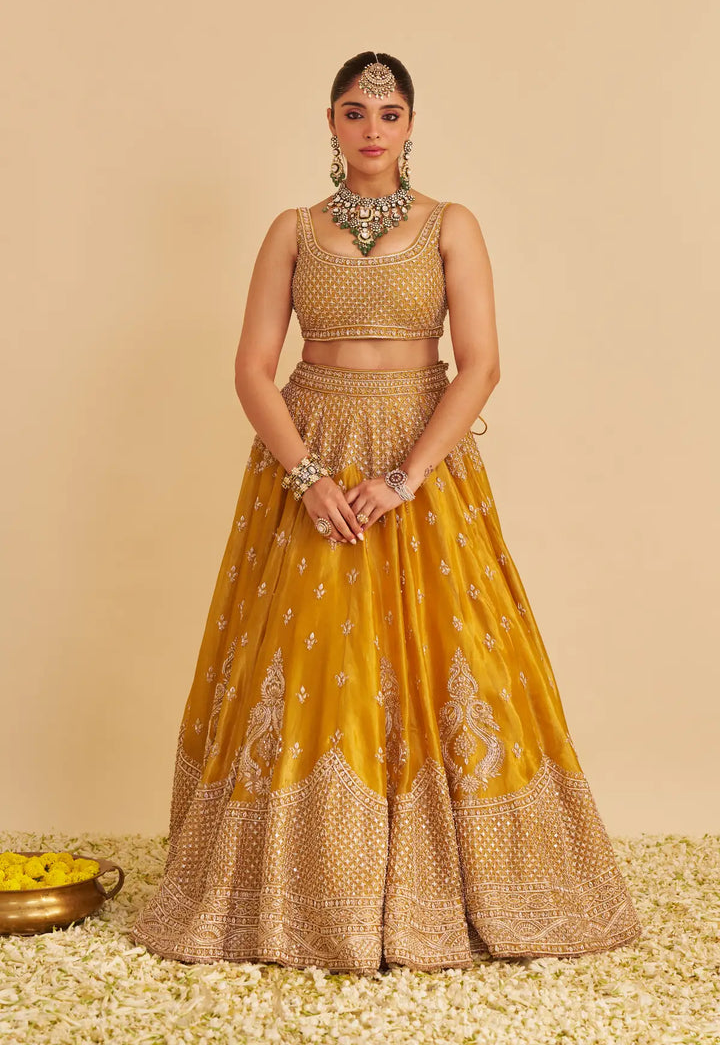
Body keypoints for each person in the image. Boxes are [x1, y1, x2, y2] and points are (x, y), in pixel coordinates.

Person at [129, 51, 643, 975]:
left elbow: (481, 364)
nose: (373, 128)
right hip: (311, 453)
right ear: (330, 123)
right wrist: (306, 476)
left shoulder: (451, 225)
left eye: (391, 112)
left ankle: (457, 884)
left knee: (454, 657)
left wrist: (405, 477)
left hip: (422, 459)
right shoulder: (292, 231)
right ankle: (299, 890)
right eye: (356, 111)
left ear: (411, 124)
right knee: (308, 662)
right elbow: (252, 368)